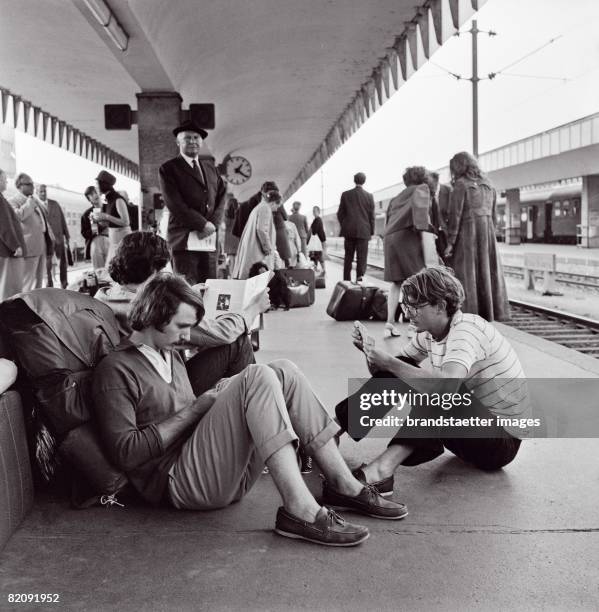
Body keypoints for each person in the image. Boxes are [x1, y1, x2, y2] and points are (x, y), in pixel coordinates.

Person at [93, 273, 407, 547]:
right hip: (178, 482)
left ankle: (344, 485)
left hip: (213, 470)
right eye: (182, 327)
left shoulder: (166, 350)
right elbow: (126, 453)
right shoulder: (117, 370)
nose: (189, 336)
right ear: (152, 317)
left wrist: (221, 397)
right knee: (256, 377)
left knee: (283, 371)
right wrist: (199, 408)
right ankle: (300, 510)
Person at [335, 266, 529, 496]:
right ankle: (329, 434)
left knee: (441, 389)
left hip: (500, 443)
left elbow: (446, 385)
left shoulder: (467, 330)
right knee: (401, 370)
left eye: (415, 306)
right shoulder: (428, 333)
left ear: (440, 306)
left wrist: (387, 362)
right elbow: (389, 375)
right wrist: (370, 353)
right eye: (406, 305)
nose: (408, 313)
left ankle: (380, 472)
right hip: (468, 435)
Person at [94, 231, 269, 397]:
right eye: (165, 269)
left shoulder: (105, 296)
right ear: (155, 271)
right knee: (237, 342)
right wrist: (253, 310)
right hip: (165, 388)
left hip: (139, 379)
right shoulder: (151, 307)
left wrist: (184, 295)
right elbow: (221, 333)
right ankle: (250, 401)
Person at [158, 120, 227, 284]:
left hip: (208, 241)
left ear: (201, 141)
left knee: (211, 285)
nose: (192, 141)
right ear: (178, 142)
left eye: (196, 137)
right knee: (187, 287)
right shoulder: (168, 169)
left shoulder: (211, 169)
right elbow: (175, 204)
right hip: (183, 240)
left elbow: (222, 198)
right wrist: (202, 224)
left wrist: (212, 225)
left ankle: (208, 312)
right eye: (187, 138)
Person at [445, 152, 509, 322]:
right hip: (487, 235)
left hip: (467, 234)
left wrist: (450, 243)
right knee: (487, 273)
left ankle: (468, 316)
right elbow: (494, 216)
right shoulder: (489, 185)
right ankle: (488, 313)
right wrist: (490, 235)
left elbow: (455, 216)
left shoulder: (461, 185)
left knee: (467, 274)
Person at [382, 166, 433, 338]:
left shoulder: (396, 197)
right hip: (406, 236)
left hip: (390, 238)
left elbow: (388, 219)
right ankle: (413, 326)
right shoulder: (422, 189)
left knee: (396, 283)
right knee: (415, 282)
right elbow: (420, 217)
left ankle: (389, 323)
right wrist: (430, 232)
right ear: (422, 178)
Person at [10, 172, 54, 291]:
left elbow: (44, 216)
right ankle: (24, 308)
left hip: (40, 245)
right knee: (28, 284)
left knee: (39, 283)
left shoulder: (33, 200)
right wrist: (29, 203)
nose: (33, 187)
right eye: (29, 184)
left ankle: (35, 307)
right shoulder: (14, 201)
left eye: (32, 184)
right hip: (29, 248)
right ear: (20, 186)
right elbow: (18, 216)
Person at [232, 182, 282, 279]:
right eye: (277, 206)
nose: (276, 210)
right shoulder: (265, 208)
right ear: (273, 202)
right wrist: (268, 249)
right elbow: (261, 230)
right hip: (257, 252)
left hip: (252, 248)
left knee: (249, 279)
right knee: (256, 280)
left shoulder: (259, 206)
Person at [337, 172, 375, 282]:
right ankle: (360, 281)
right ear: (364, 181)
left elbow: (340, 213)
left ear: (354, 180)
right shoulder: (369, 196)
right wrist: (371, 231)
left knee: (348, 258)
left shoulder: (345, 194)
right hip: (363, 231)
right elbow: (371, 216)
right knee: (361, 259)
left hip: (349, 231)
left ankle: (346, 282)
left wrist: (345, 224)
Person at [94, 170, 131, 264]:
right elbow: (112, 223)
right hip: (114, 241)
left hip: (122, 241)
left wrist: (106, 216)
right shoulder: (109, 200)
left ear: (104, 184)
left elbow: (126, 222)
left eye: (97, 184)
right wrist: (99, 220)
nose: (96, 187)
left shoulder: (118, 199)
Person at [37, 184, 70, 288]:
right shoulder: (36, 206)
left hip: (59, 237)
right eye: (41, 191)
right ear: (36, 192)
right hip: (45, 240)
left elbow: (62, 220)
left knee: (63, 263)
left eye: (44, 191)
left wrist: (67, 236)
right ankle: (49, 284)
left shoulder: (54, 204)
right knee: (47, 264)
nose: (43, 193)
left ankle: (64, 284)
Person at [0, 168, 26, 301]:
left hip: (5, 251)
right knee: (10, 291)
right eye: (4, 180)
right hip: (8, 252)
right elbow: (4, 224)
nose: (6, 183)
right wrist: (15, 246)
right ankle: (8, 320)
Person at [81, 186, 110, 270]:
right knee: (99, 272)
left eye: (95, 192)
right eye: (91, 194)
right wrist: (98, 228)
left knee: (114, 270)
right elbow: (84, 233)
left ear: (100, 193)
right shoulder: (86, 214)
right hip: (96, 242)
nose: (94, 195)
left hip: (112, 240)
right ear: (89, 199)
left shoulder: (109, 207)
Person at [308, 205, 327, 274]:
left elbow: (314, 231)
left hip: (319, 241)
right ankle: (319, 270)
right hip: (318, 241)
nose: (314, 213)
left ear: (319, 212)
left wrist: (311, 229)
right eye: (313, 211)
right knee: (316, 256)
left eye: (315, 211)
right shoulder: (316, 220)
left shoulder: (318, 220)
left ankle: (323, 270)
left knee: (318, 256)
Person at [223, 196, 240, 274]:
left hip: (228, 240)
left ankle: (232, 275)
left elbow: (224, 226)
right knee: (238, 260)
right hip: (237, 238)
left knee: (231, 260)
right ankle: (237, 275)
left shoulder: (225, 215)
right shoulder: (239, 213)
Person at [272, 201, 291, 267]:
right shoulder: (279, 204)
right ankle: (286, 269)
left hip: (271, 229)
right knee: (284, 254)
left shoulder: (266, 203)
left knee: (274, 254)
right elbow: (285, 217)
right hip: (279, 229)